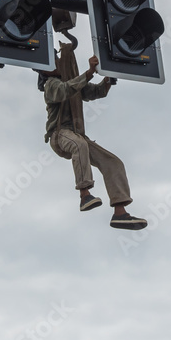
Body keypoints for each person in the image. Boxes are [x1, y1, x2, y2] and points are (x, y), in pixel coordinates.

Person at [37, 43, 147, 230]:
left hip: (78, 135)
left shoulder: (72, 82)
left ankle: (120, 213)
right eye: (53, 62)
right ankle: (84, 194)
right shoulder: (51, 85)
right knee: (79, 145)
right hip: (60, 135)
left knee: (113, 162)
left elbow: (96, 92)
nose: (57, 63)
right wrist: (89, 72)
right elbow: (66, 89)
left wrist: (108, 77)